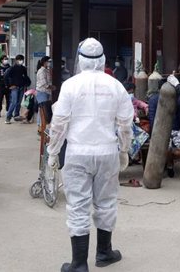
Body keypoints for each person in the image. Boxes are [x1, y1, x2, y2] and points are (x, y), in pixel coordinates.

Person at [47, 38, 133, 272]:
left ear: (80, 61)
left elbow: (59, 124)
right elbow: (126, 123)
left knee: (78, 206)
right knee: (106, 203)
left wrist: (52, 152)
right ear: (103, 60)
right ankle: (104, 253)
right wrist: (124, 149)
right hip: (107, 152)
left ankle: (78, 264)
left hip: (77, 153)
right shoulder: (116, 85)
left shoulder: (70, 86)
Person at [4, 54, 30, 124]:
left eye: (22, 60)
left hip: (21, 87)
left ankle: (16, 115)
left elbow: (25, 77)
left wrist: (26, 85)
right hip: (14, 88)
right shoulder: (11, 68)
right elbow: (5, 77)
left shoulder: (23, 68)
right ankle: (8, 117)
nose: (21, 61)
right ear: (16, 60)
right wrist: (9, 86)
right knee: (14, 102)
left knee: (19, 103)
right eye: (20, 60)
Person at [35, 56, 54, 126]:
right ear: (44, 62)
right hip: (42, 92)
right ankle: (40, 126)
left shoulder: (46, 70)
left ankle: (41, 126)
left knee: (43, 110)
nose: (50, 63)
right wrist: (52, 87)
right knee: (43, 110)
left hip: (45, 92)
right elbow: (44, 83)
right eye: (49, 61)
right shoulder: (41, 71)